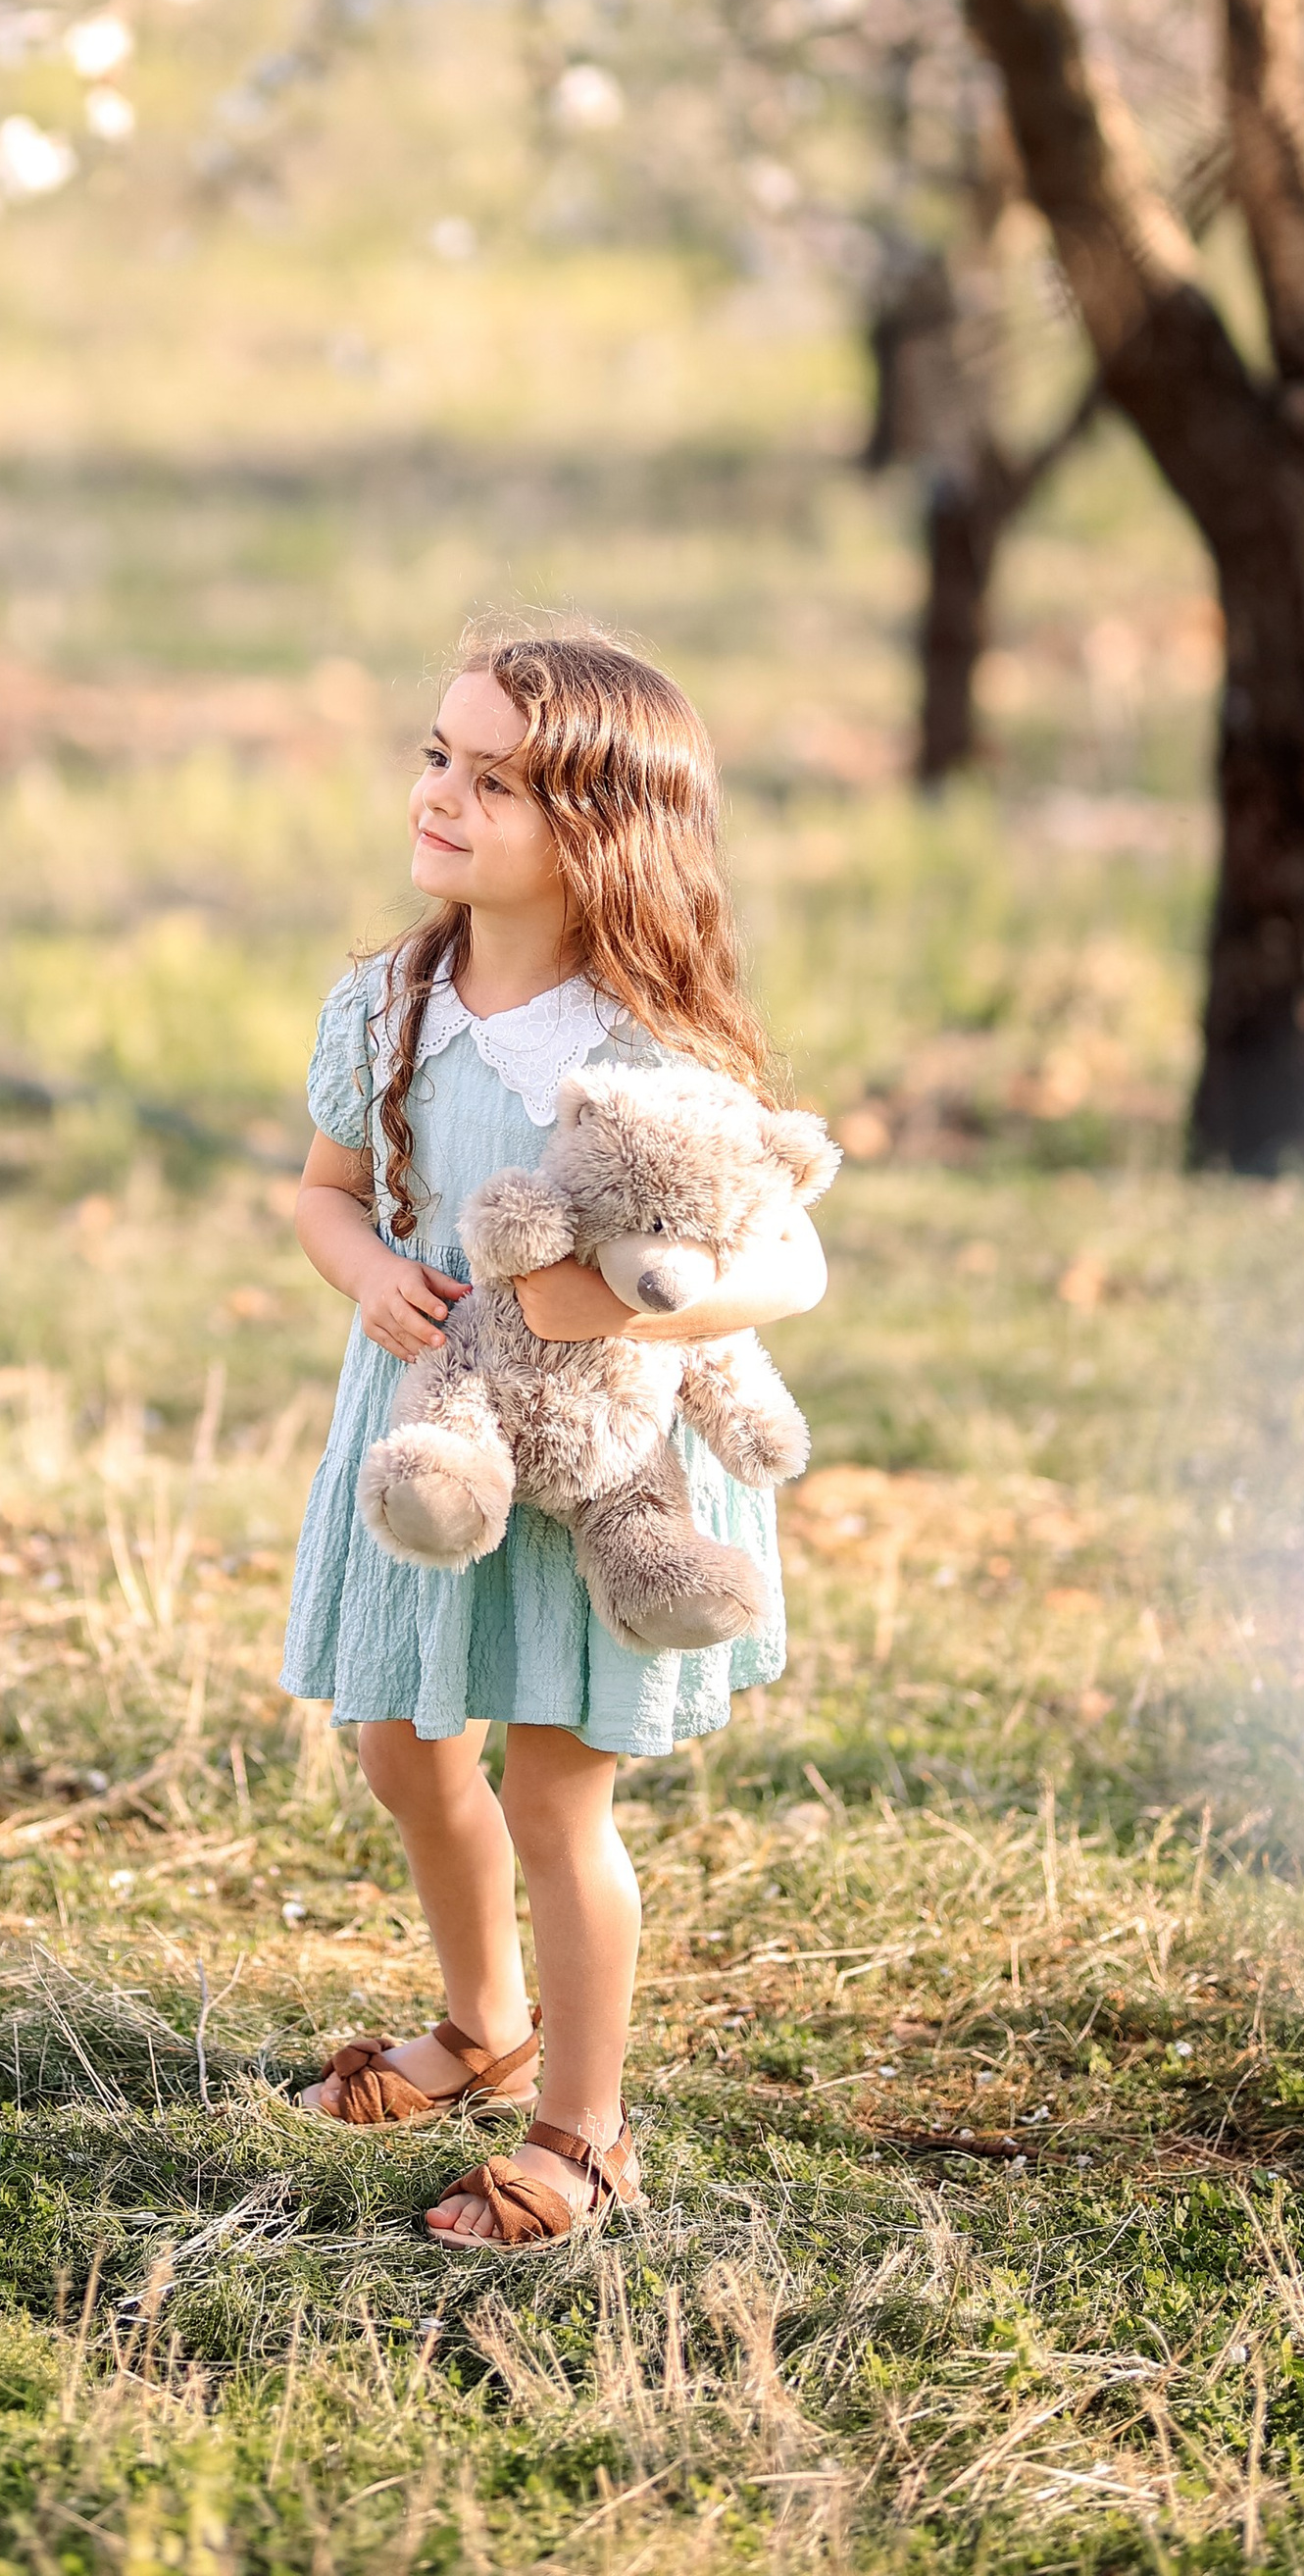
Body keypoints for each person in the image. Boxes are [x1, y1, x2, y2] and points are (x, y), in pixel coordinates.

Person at [279, 627, 828, 2244]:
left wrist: (622, 1312)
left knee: (552, 1798)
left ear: (599, 831)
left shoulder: (650, 1049)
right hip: (433, 1434)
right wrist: (371, 1272)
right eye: (437, 756)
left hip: (600, 1473)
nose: (440, 795)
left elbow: (792, 1264)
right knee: (402, 1747)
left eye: (495, 781)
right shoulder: (384, 1006)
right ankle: (482, 2025)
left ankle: (583, 2131)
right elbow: (324, 1196)